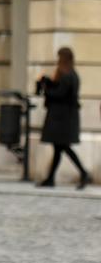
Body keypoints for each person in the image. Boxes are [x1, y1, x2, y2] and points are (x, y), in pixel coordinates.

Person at [36, 46, 91, 190]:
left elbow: (60, 94)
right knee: (59, 148)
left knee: (63, 147)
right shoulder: (70, 74)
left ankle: (84, 173)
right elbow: (59, 89)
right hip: (63, 117)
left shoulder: (69, 75)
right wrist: (49, 82)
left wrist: (46, 88)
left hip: (64, 119)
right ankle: (51, 179)